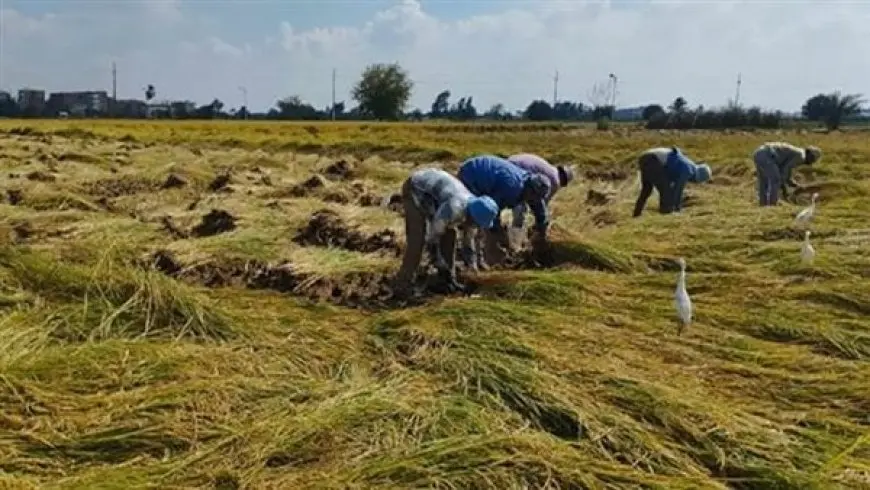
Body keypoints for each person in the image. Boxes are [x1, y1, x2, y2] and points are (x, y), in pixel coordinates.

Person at [393, 167, 499, 294]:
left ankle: (447, 280)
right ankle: (403, 283)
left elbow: (468, 241)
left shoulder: (474, 208)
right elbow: (433, 237)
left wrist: (473, 267)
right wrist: (439, 262)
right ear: (472, 216)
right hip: (416, 188)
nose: (476, 225)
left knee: (450, 235)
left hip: (437, 196)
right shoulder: (454, 208)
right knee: (417, 240)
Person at [457, 154, 552, 266]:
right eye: (534, 196)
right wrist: (499, 234)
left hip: (485, 173)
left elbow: (538, 207)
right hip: (471, 175)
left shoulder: (529, 184)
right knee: (476, 220)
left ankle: (484, 255)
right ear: (529, 190)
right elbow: (491, 209)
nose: (534, 200)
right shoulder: (511, 188)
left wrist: (542, 228)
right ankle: (473, 258)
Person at [633, 146, 712, 217]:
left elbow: (673, 183)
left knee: (647, 189)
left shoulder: (686, 164)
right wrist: (677, 209)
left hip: (645, 158)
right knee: (666, 190)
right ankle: (666, 214)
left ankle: (637, 214)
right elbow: (678, 190)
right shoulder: (688, 170)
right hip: (653, 159)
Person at [506, 153, 575, 229]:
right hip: (520, 168)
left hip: (511, 161)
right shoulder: (555, 181)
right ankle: (516, 230)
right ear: (564, 180)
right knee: (520, 202)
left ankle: (500, 227)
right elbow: (542, 201)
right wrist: (541, 221)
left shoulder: (550, 170)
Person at [752, 142, 821, 206]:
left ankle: (763, 204)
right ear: (810, 156)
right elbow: (785, 170)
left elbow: (785, 171)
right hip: (767, 156)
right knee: (775, 180)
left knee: (764, 181)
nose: (810, 163)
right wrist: (784, 188)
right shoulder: (801, 156)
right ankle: (772, 204)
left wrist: (792, 183)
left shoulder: (797, 152)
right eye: (812, 160)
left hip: (759, 153)